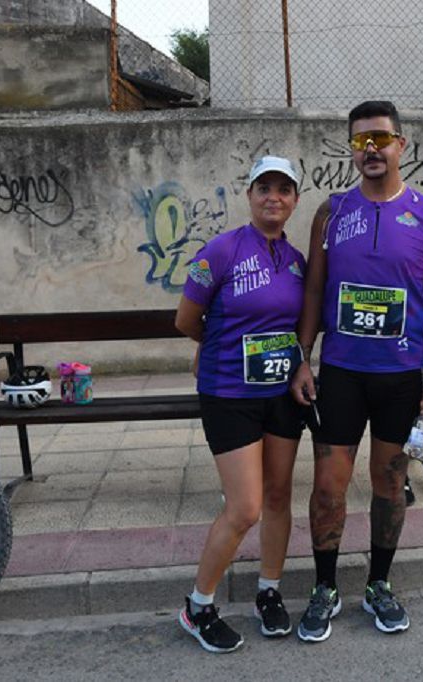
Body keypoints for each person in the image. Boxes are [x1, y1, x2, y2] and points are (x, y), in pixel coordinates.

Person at [290, 100, 423, 641]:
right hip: (341, 373)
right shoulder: (331, 212)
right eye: (361, 141)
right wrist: (303, 357)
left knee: (390, 484)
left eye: (380, 139)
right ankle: (325, 588)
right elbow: (314, 290)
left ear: (400, 146)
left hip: (401, 376)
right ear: (352, 148)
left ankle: (378, 585)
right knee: (327, 488)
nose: (371, 150)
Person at [175, 156, 307, 654]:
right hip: (229, 393)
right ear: (249, 195)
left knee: (277, 498)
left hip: (280, 392)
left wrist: (300, 364)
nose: (274, 197)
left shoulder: (296, 261)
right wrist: (214, 347)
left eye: (284, 189)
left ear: (294, 200)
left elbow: (299, 326)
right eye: (264, 188)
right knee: (245, 507)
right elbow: (187, 319)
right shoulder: (221, 250)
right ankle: (198, 606)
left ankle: (268, 592)